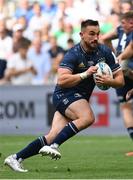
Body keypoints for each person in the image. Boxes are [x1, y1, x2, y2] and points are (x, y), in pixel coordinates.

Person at [4, 19, 124, 172]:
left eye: (98, 34)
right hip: (64, 94)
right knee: (88, 117)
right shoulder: (73, 54)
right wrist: (85, 74)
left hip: (78, 97)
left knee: (53, 135)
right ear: (81, 34)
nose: (95, 38)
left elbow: (120, 80)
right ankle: (54, 146)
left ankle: (15, 158)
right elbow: (61, 80)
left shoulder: (105, 52)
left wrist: (110, 81)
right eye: (91, 34)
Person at [101, 11, 133, 156]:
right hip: (125, 70)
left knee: (125, 107)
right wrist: (116, 58)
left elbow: (129, 49)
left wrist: (117, 58)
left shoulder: (121, 30)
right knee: (125, 106)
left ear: (130, 22)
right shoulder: (121, 29)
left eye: (123, 23)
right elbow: (105, 39)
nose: (121, 26)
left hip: (125, 68)